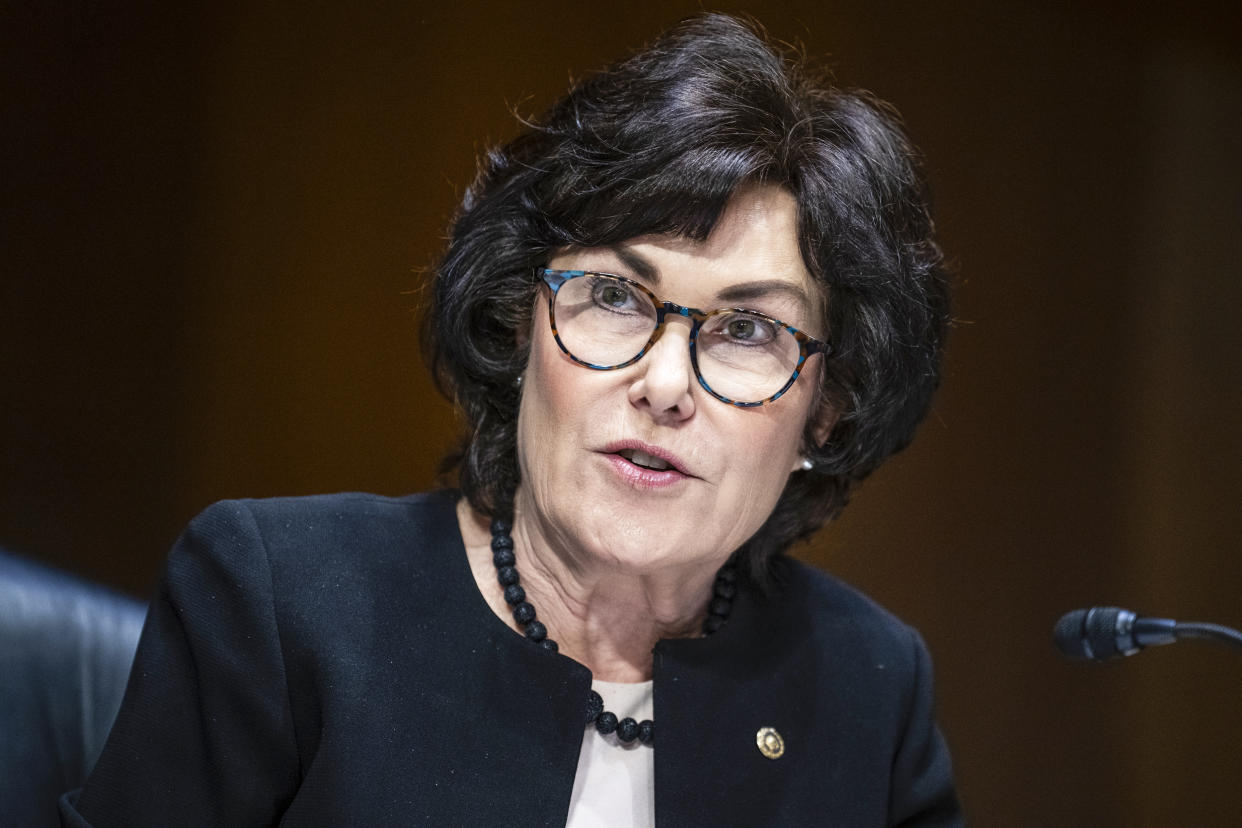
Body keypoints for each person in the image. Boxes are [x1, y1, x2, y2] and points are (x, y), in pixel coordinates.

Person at [61, 13, 961, 827]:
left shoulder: (866, 686)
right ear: (516, 323)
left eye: (747, 329)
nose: (663, 383)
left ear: (828, 407)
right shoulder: (281, 604)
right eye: (615, 295)